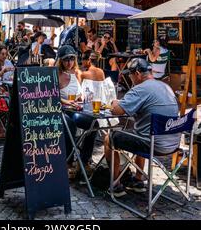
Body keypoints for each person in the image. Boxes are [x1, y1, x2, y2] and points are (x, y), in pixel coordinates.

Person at [104, 58, 180, 197]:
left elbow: (117, 111)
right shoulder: (166, 87)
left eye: (130, 75)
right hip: (172, 143)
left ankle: (115, 185)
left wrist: (115, 102)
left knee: (110, 138)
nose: (129, 78)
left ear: (137, 73)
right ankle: (138, 180)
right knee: (142, 130)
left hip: (153, 144)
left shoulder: (140, 89)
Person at [58, 45, 97, 179]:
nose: (69, 62)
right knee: (70, 124)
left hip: (76, 109)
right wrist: (65, 101)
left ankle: (84, 161)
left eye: (71, 59)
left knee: (94, 123)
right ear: (61, 61)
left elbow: (80, 94)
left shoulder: (76, 74)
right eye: (66, 59)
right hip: (62, 110)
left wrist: (82, 98)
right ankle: (68, 162)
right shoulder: (56, 75)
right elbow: (51, 95)